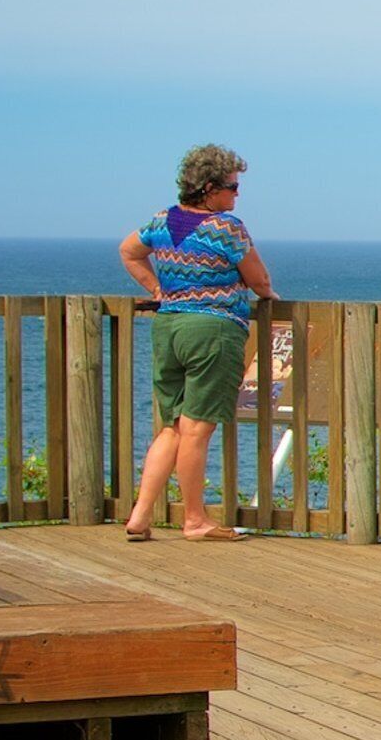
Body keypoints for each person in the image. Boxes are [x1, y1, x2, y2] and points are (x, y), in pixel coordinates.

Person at [118, 143, 276, 542]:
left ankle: (140, 516)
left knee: (172, 426)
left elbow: (129, 251)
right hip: (213, 329)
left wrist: (158, 287)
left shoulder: (164, 221)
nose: (236, 195)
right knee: (196, 429)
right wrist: (269, 298)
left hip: (169, 327)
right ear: (210, 188)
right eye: (233, 187)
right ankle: (194, 520)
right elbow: (259, 280)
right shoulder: (225, 228)